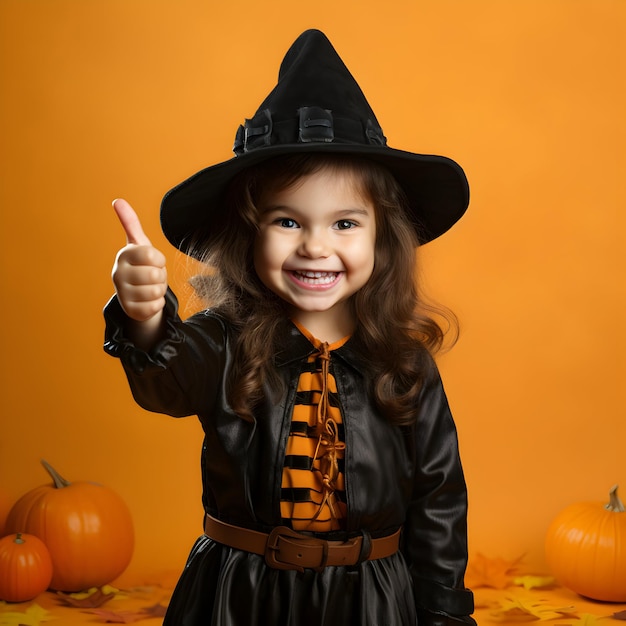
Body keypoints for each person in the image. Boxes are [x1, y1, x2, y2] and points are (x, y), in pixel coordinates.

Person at [104, 29, 476, 626]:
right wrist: (146, 317)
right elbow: (163, 381)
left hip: (372, 602)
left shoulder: (405, 366)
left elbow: (438, 502)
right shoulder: (219, 343)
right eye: (287, 220)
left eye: (345, 223)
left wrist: (443, 614)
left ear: (384, 236)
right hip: (238, 597)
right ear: (248, 232)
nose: (315, 247)